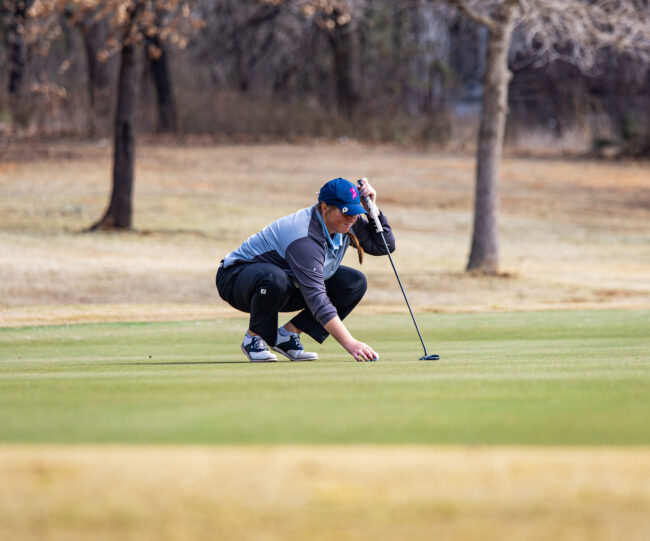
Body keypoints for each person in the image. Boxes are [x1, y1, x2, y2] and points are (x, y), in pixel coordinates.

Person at [216, 177, 395, 362]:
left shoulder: (348, 222)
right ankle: (254, 338)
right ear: (325, 207)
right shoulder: (304, 237)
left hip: (285, 285)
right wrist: (349, 342)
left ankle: (287, 335)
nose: (352, 218)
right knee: (273, 278)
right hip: (236, 279)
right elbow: (317, 298)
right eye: (345, 212)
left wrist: (373, 210)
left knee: (353, 283)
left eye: (355, 212)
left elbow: (384, 246)